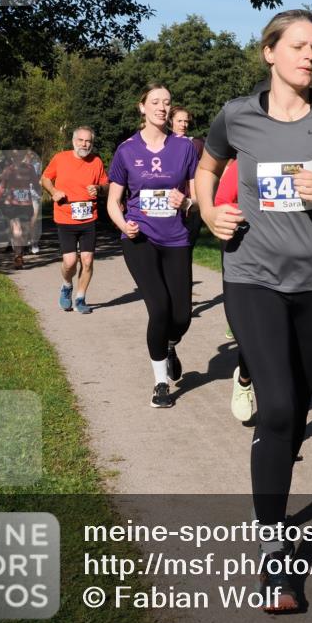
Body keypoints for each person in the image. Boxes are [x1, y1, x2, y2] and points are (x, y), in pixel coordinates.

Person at [196, 9, 312, 611]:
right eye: (297, 46)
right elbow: (207, 168)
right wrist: (207, 211)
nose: (310, 56)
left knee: (292, 408)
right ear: (269, 52)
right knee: (276, 408)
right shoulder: (236, 114)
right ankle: (275, 554)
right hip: (251, 275)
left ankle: (267, 475)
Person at [108, 84, 199, 408]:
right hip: (140, 238)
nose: (162, 107)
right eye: (156, 102)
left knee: (182, 316)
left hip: (176, 237)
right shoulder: (127, 150)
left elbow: (197, 196)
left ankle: (170, 343)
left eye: (167, 103)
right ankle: (161, 383)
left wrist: (186, 201)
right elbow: (113, 201)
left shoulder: (185, 148)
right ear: (142, 107)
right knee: (158, 307)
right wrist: (124, 225)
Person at [41, 128, 109, 314]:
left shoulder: (96, 161)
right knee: (70, 262)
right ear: (73, 141)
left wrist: (99, 189)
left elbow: (106, 185)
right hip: (65, 217)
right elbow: (45, 179)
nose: (84, 144)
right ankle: (66, 285)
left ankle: (80, 298)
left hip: (88, 218)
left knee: (87, 260)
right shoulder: (60, 158)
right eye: (80, 140)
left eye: (87, 141)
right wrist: (54, 192)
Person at [214, 158, 255, 422]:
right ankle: (244, 380)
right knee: (256, 333)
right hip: (249, 256)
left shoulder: (302, 161)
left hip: (297, 262)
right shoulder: (244, 163)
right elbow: (222, 200)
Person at [0, 151, 41, 268]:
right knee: (17, 231)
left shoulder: (30, 169)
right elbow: (2, 187)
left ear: (23, 156)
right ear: (12, 158)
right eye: (14, 156)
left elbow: (35, 183)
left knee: (24, 232)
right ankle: (18, 256)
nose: (17, 158)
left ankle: (19, 253)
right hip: (11, 205)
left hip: (26, 205)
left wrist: (40, 192)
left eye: (19, 156)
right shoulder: (8, 170)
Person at [169, 105, 205, 249]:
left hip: (192, 204)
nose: (184, 125)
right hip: (168, 203)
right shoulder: (162, 144)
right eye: (179, 121)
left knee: (186, 248)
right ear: (170, 121)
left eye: (186, 121)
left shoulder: (197, 144)